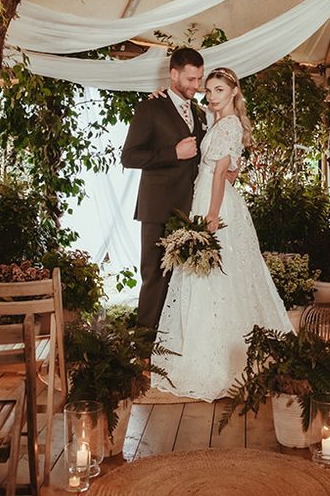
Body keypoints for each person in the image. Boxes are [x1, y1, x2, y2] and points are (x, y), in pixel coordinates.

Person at [152, 66, 292, 401]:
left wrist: (212, 214)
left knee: (215, 275)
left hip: (213, 204)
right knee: (210, 277)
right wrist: (158, 94)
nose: (212, 96)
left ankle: (217, 358)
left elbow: (218, 174)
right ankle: (207, 347)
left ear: (233, 92)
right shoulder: (220, 121)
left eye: (218, 90)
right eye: (209, 90)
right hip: (209, 196)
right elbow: (230, 173)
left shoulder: (229, 126)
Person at [121, 47, 206, 330]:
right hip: (158, 209)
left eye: (199, 79)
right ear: (174, 74)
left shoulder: (199, 113)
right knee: (154, 277)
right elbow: (129, 156)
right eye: (191, 79)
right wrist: (173, 152)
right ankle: (145, 346)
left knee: (185, 278)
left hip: (190, 211)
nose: (196, 86)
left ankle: (174, 342)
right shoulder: (150, 108)